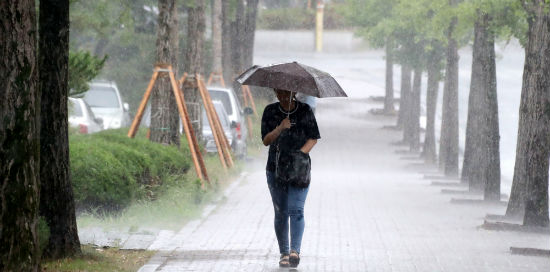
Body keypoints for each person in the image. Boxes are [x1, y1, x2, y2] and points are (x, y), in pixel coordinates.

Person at [261, 88, 320, 268]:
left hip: (299, 169)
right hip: (275, 168)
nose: (282, 96)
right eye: (279, 93)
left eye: (286, 93)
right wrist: (280, 127)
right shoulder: (270, 111)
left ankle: (295, 251)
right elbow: (266, 140)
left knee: (296, 210)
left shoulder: (305, 111)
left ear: (294, 92)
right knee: (281, 212)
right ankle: (284, 253)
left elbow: (313, 138)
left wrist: (299, 155)